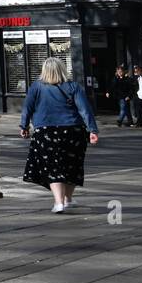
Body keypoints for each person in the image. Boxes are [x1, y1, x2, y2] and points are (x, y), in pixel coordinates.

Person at [20, 57, 98, 213]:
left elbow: (27, 108)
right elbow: (85, 110)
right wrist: (92, 130)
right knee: (72, 166)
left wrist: (24, 126)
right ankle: (68, 199)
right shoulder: (73, 86)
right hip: (73, 131)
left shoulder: (36, 87)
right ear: (63, 69)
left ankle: (59, 202)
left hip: (46, 131)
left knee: (53, 166)